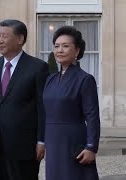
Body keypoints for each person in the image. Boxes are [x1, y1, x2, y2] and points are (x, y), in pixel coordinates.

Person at [0, 19, 49, 180]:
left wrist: (42, 140)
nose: (0, 41)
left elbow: (42, 107)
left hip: (24, 144)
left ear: (20, 39)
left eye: (4, 36)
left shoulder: (38, 67)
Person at [43, 26, 100, 180]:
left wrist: (91, 147)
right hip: (53, 140)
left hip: (74, 142)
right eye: (56, 46)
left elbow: (92, 115)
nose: (59, 50)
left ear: (77, 51)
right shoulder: (50, 79)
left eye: (65, 46)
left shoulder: (85, 79)